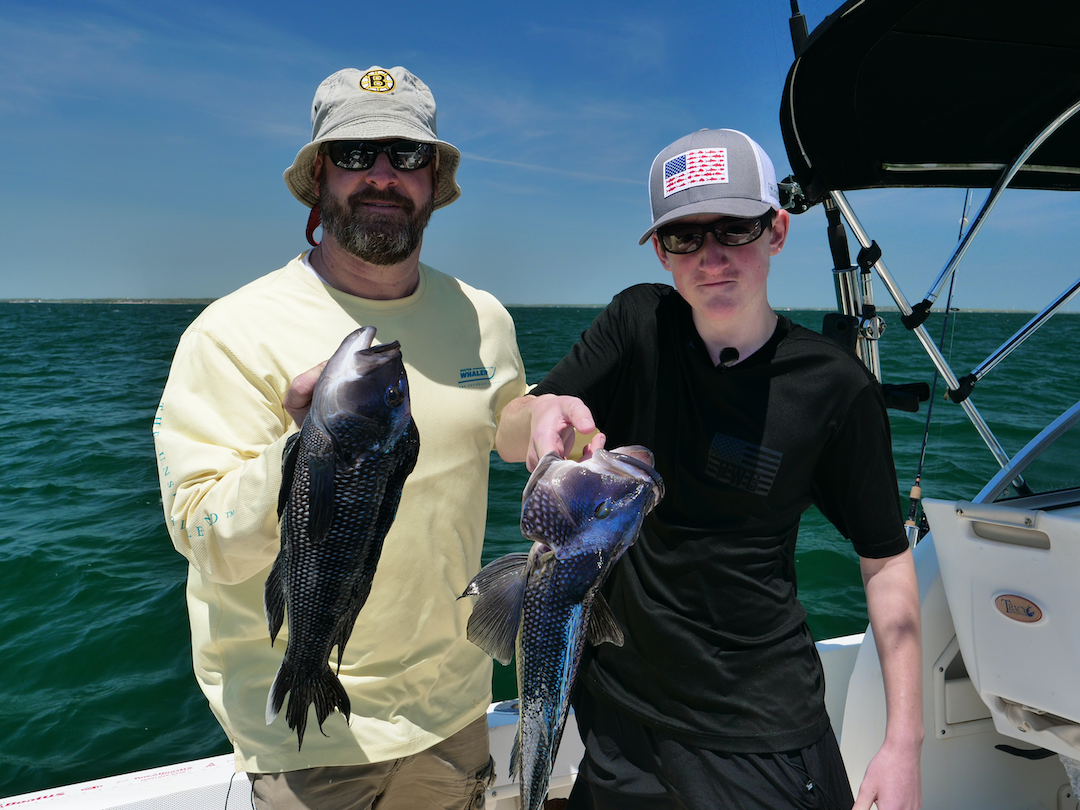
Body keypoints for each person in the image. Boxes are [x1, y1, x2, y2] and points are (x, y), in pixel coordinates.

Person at [495, 129, 923, 810]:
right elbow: (512, 424)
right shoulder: (638, 324)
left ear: (776, 231)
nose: (712, 256)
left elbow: (885, 560)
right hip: (616, 711)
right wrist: (543, 409)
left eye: (735, 227)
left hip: (756, 725)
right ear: (662, 252)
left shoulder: (834, 387)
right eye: (684, 237)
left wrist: (904, 743)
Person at [153, 66, 526, 809]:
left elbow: (504, 418)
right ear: (319, 173)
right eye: (356, 155)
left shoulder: (483, 316)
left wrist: (547, 417)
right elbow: (204, 536)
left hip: (451, 711)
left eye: (406, 156)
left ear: (433, 178)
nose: (382, 176)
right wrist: (303, 447)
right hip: (304, 733)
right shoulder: (230, 331)